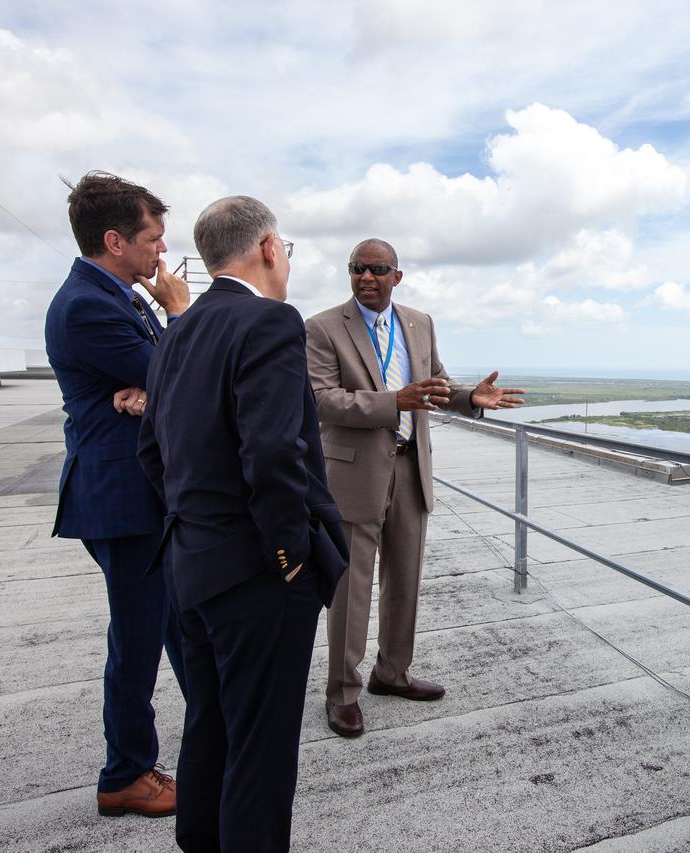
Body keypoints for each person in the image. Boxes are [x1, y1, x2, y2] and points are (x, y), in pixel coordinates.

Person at [138, 196, 350, 852]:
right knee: (260, 751)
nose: (285, 259)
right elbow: (272, 450)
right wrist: (288, 550)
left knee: (210, 727)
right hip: (258, 576)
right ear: (267, 248)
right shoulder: (269, 322)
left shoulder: (178, 330)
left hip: (192, 565)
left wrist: (195, 523)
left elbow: (151, 449)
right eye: (285, 246)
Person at [305, 238, 524, 738]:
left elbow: (436, 386)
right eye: (357, 268)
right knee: (351, 589)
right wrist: (394, 401)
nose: (366, 277)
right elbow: (321, 399)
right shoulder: (320, 327)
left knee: (404, 580)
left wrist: (472, 397)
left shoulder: (419, 323)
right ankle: (341, 692)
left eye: (377, 269)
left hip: (410, 467)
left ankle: (392, 673)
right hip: (354, 474)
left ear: (396, 276)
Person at [44, 171, 189, 818]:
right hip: (123, 498)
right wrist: (180, 314)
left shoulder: (114, 296)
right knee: (137, 636)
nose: (162, 251)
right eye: (153, 239)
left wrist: (152, 388)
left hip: (141, 492)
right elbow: (180, 373)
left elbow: (161, 380)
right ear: (114, 239)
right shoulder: (87, 305)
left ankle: (216, 731)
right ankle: (125, 772)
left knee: (179, 622)